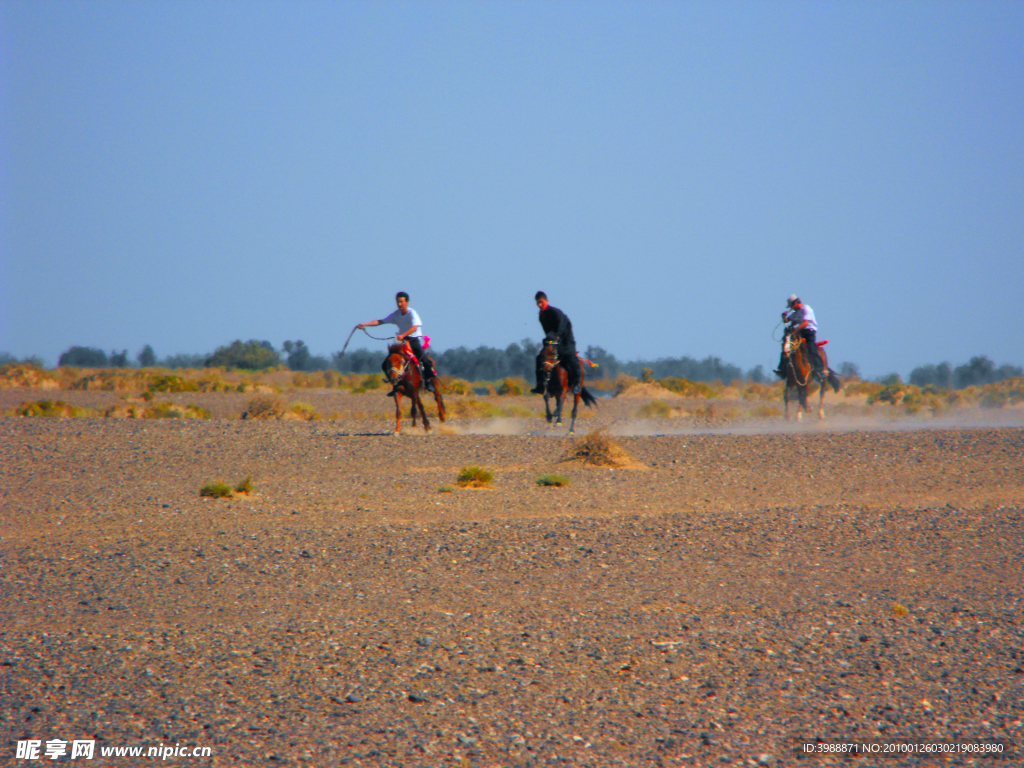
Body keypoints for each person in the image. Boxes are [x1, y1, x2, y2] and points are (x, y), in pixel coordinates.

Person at [358, 292, 437, 393]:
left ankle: (427, 382)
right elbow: (381, 321)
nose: (399, 304)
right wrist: (365, 324)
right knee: (387, 363)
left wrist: (403, 335)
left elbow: (415, 327)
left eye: (401, 302)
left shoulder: (412, 313)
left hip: (413, 340)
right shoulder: (396, 314)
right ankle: (395, 385)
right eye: (398, 302)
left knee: (426, 361)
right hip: (403, 342)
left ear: (407, 302)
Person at [531, 291, 580, 395]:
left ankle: (576, 384)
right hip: (553, 340)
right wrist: (550, 341)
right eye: (537, 303)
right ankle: (540, 385)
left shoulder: (555, 312)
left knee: (571, 359)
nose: (539, 305)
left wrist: (558, 336)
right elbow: (547, 331)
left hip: (566, 340)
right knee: (539, 358)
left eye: (541, 302)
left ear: (546, 301)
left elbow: (562, 325)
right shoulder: (541, 316)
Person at [775, 295, 827, 381]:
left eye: (792, 306)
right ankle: (782, 370)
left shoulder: (806, 309)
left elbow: (806, 323)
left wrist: (796, 330)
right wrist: (783, 316)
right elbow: (786, 320)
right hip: (800, 332)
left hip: (809, 332)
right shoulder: (796, 312)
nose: (792, 309)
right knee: (786, 348)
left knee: (811, 349)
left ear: (795, 303)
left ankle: (820, 370)